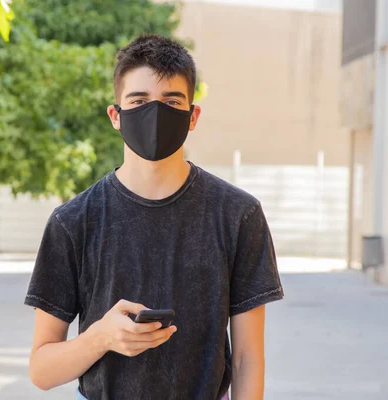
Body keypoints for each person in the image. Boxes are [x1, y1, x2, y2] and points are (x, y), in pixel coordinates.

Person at [24, 34, 284, 400]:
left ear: (192, 116)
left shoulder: (238, 214)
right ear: (116, 115)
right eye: (139, 101)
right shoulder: (73, 222)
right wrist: (101, 337)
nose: (155, 112)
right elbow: (42, 370)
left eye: (171, 101)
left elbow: (247, 359)